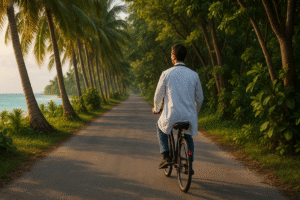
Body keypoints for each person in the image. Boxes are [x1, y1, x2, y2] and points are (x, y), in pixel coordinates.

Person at [152, 44, 204, 169]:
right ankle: (189, 163)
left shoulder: (166, 74)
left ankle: (166, 157)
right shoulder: (194, 75)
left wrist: (157, 108)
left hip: (172, 115)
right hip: (189, 116)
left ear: (174, 57)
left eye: (171, 54)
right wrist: (194, 112)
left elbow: (158, 94)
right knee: (187, 134)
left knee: (160, 127)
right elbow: (200, 98)